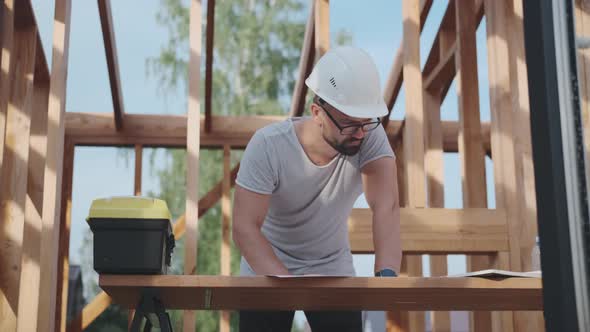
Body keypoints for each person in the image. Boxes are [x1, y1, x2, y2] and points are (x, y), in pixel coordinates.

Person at [232, 46, 402, 332]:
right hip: (266, 263)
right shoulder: (268, 146)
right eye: (349, 123)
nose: (360, 133)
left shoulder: (368, 136)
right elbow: (244, 227)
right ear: (317, 112)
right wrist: (289, 288)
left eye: (366, 122)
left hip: (331, 265)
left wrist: (386, 278)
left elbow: (386, 207)